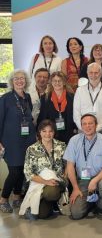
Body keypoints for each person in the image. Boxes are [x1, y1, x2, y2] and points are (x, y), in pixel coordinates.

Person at [64, 114, 102, 220]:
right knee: (76, 214)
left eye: (91, 123)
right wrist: (75, 188)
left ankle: (100, 205)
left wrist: (95, 180)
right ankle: (91, 200)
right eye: (84, 124)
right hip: (83, 179)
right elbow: (70, 166)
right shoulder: (74, 141)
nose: (87, 126)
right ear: (81, 126)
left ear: (96, 125)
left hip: (101, 177)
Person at [0, 70, 36, 213]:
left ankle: (16, 198)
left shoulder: (27, 97)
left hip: (27, 140)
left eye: (22, 78)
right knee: (14, 171)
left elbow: (29, 117)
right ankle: (3, 199)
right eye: (16, 79)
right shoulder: (5, 98)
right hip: (11, 141)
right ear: (12, 81)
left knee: (22, 170)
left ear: (26, 81)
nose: (20, 81)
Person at [19, 120, 66, 219]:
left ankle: (56, 198)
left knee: (51, 192)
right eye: (44, 131)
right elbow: (28, 172)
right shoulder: (32, 149)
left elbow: (68, 166)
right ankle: (50, 203)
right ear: (39, 132)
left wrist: (64, 180)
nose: (47, 134)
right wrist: (45, 181)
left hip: (57, 182)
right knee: (41, 215)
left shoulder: (62, 146)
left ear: (54, 132)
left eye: (50, 131)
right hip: (39, 182)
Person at [73, 63, 102, 137]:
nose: (93, 75)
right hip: (83, 131)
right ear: (87, 73)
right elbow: (76, 114)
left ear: (101, 74)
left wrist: (96, 128)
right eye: (91, 72)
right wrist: (84, 128)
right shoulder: (79, 91)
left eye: (96, 73)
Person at [38, 72, 76, 144]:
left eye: (60, 80)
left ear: (64, 82)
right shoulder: (45, 98)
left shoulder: (72, 97)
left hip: (69, 132)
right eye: (55, 81)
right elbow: (42, 116)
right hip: (51, 134)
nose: (57, 83)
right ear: (51, 82)